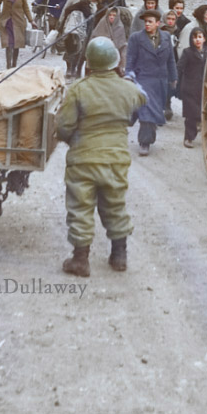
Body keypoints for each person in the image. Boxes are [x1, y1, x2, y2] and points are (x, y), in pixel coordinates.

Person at [56, 37, 146, 278]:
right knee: (115, 204)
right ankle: (119, 256)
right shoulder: (128, 89)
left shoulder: (78, 89)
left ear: (89, 63)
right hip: (116, 158)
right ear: (116, 63)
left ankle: (80, 259)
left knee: (80, 206)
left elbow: (63, 127)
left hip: (83, 159)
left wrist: (72, 140)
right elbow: (140, 101)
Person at [125, 9, 177, 156]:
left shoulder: (166, 37)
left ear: (158, 23)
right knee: (147, 109)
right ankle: (144, 142)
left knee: (153, 111)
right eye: (145, 21)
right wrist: (128, 75)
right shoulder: (136, 38)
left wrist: (173, 77)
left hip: (160, 81)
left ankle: (133, 118)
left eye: (150, 22)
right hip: (143, 78)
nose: (147, 24)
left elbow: (171, 60)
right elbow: (130, 59)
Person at [175, 28, 207, 148]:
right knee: (190, 115)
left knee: (202, 111)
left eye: (200, 37)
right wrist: (175, 79)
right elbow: (179, 67)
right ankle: (188, 138)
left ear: (204, 39)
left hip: (203, 87)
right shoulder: (187, 52)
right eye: (195, 37)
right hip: (189, 87)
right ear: (191, 39)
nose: (197, 40)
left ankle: (202, 133)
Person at [0, 0, 34, 69]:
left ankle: (14, 66)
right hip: (7, 22)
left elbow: (26, 8)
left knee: (17, 44)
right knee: (8, 44)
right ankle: (8, 66)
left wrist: (31, 21)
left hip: (18, 23)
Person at [91, 4, 129, 70]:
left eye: (114, 15)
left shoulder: (119, 27)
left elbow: (122, 45)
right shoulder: (101, 24)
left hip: (114, 58)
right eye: (110, 15)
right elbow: (93, 41)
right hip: (100, 56)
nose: (111, 17)